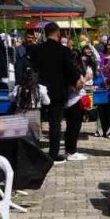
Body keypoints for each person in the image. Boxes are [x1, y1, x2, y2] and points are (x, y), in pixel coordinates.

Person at [28, 23, 82, 164]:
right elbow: (70, 70)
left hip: (38, 91)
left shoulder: (36, 50)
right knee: (55, 124)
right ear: (57, 34)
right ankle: (53, 153)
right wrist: (76, 81)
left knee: (35, 122)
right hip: (57, 92)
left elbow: (32, 68)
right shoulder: (63, 51)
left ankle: (31, 150)